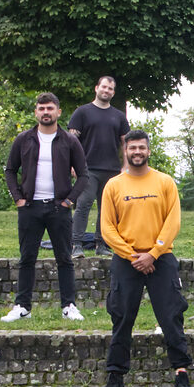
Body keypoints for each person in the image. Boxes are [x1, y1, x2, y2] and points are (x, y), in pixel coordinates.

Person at [98, 130, 194, 387]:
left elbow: (173, 222)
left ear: (148, 150)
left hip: (160, 258)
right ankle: (115, 379)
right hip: (126, 259)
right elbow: (107, 228)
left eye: (142, 147)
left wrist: (153, 253)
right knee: (121, 318)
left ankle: (181, 376)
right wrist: (133, 256)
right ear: (125, 151)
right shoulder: (113, 186)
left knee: (172, 317)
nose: (137, 152)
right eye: (132, 148)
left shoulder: (164, 182)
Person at [1, 93, 89, 324]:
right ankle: (22, 306)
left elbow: (83, 175)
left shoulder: (70, 141)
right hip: (30, 207)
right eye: (41, 108)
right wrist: (18, 198)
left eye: (50, 108)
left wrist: (69, 200)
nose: (45, 112)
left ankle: (69, 306)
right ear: (36, 112)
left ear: (59, 112)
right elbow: (10, 170)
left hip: (59, 208)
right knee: (27, 257)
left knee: (65, 258)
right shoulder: (24, 139)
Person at [68, 75, 130, 257]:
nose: (106, 91)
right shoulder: (82, 112)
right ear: (96, 88)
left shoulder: (119, 116)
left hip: (112, 170)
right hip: (87, 169)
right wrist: (72, 165)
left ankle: (101, 244)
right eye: (104, 87)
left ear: (113, 92)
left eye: (110, 89)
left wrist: (125, 166)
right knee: (83, 204)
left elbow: (126, 143)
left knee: (108, 209)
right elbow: (72, 141)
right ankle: (76, 245)